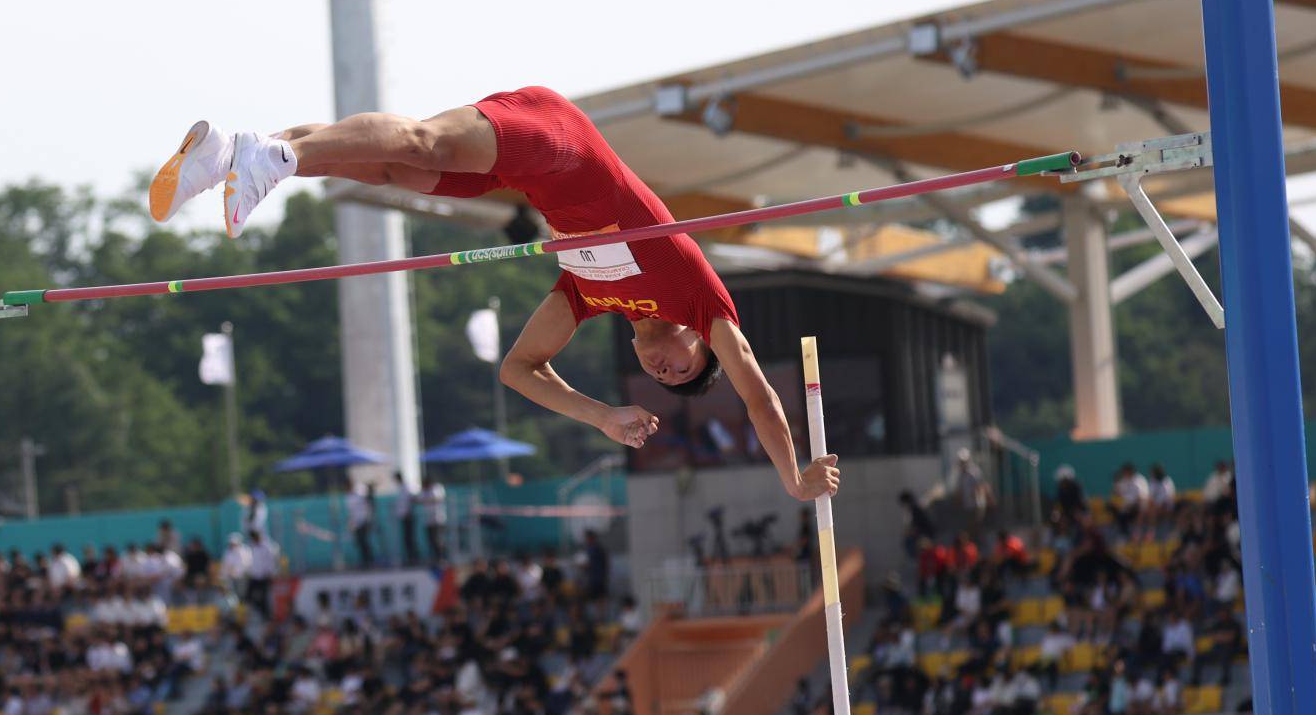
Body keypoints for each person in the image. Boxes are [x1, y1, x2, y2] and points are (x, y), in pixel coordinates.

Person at [149, 88, 839, 503]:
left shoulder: (592, 294)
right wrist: (792, 475)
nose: (665, 371)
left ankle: (237, 152)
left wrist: (599, 415)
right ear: (697, 338)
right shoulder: (699, 298)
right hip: (563, 142)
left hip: (532, 176)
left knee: (396, 168)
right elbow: (756, 394)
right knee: (421, 143)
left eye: (665, 379)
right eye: (684, 366)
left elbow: (517, 368)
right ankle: (274, 159)